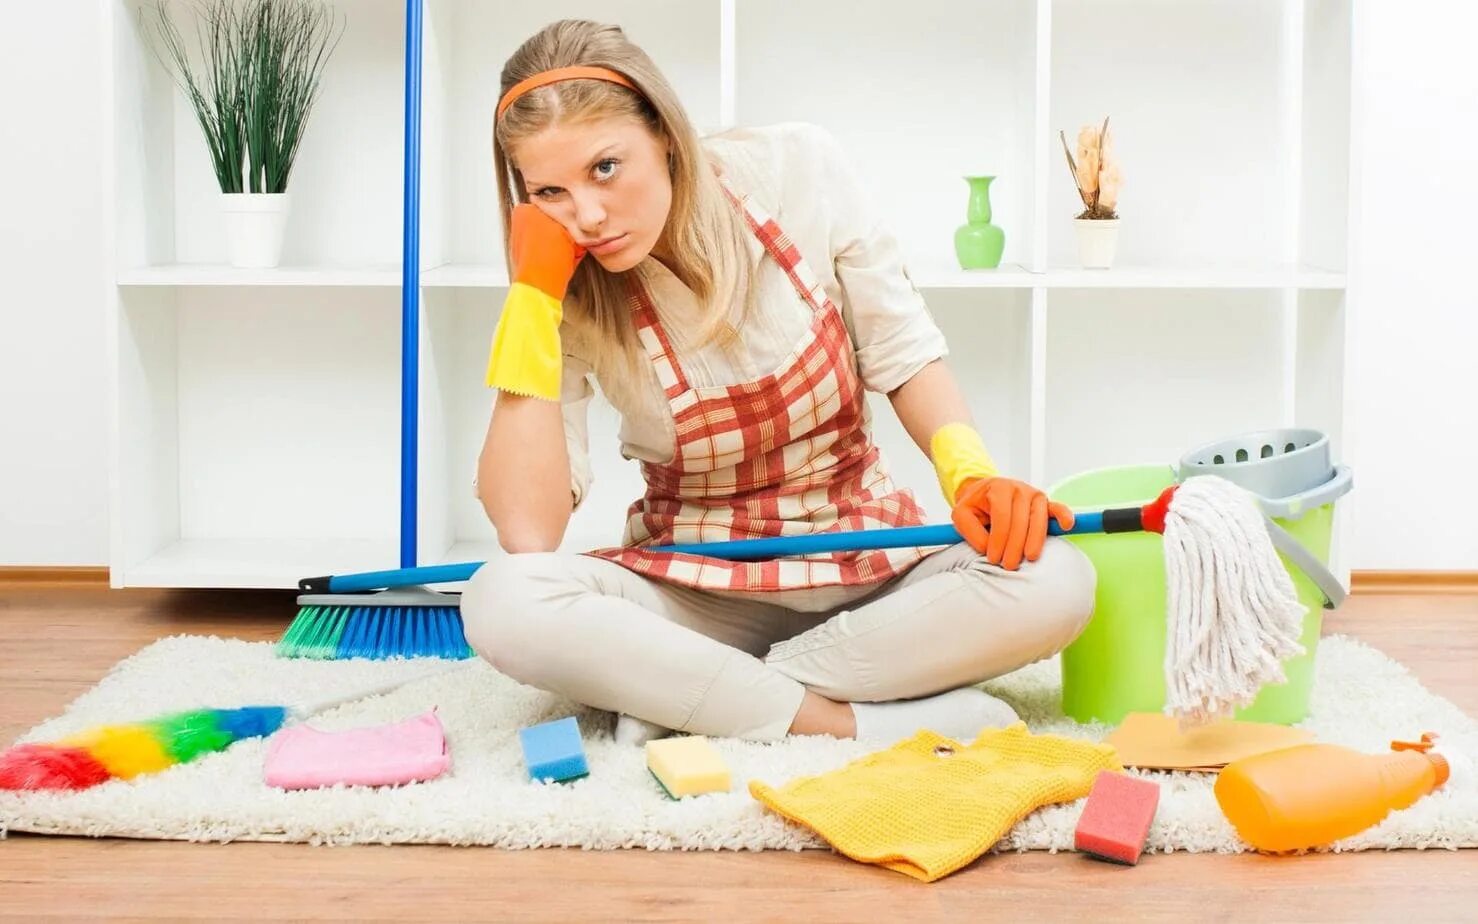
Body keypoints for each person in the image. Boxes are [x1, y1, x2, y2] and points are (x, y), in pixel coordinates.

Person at [461, 19, 1095, 745]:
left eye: (606, 167)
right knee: (502, 599)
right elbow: (527, 531)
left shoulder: (798, 170)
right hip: (694, 587)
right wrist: (533, 301)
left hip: (867, 561)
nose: (589, 216)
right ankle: (837, 722)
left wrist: (972, 477)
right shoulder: (565, 284)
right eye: (551, 191)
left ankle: (695, 695)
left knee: (1057, 580)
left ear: (664, 133)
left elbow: (905, 352)